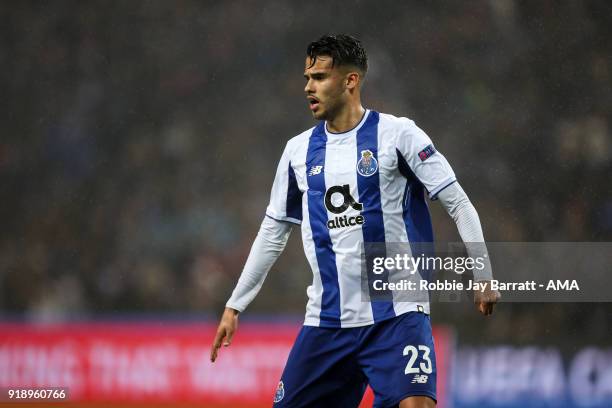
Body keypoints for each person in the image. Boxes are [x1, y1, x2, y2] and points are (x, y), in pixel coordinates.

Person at [210, 34, 500, 408]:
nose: (308, 87)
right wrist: (235, 306)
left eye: (319, 77)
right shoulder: (297, 151)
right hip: (327, 323)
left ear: (350, 81)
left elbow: (458, 202)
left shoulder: (399, 135)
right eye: (307, 78)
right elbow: (273, 232)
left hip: (396, 317)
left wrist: (484, 274)